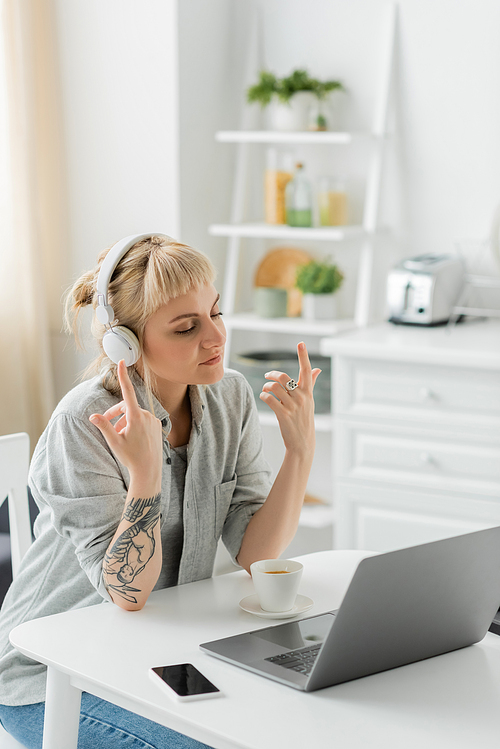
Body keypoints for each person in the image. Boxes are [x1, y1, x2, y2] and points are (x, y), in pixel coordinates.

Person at [0, 233, 321, 748]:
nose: (215, 338)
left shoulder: (228, 395)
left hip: (158, 654)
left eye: (216, 313)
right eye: (186, 327)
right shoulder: (84, 423)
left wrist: (300, 452)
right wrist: (146, 480)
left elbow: (255, 553)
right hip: (51, 677)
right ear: (124, 342)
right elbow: (127, 594)